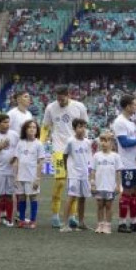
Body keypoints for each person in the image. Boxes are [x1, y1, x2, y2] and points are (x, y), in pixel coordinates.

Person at [41, 85, 88, 228]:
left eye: (62, 99)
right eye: (58, 99)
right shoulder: (50, 108)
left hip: (75, 150)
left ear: (68, 95)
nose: (60, 102)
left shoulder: (79, 107)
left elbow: (85, 126)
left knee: (73, 184)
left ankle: (72, 216)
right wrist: (41, 143)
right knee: (60, 182)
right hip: (59, 150)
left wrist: (83, 144)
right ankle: (55, 214)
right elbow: (45, 127)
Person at [112, 94, 136, 233]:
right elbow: (124, 143)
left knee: (135, 192)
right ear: (127, 106)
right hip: (126, 163)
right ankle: (121, 223)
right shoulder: (120, 122)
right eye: (134, 104)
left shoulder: (131, 121)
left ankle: (134, 221)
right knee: (126, 192)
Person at [59, 118, 93, 233]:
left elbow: (88, 157)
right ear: (74, 129)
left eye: (84, 127)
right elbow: (65, 155)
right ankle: (64, 224)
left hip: (84, 174)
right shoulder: (70, 141)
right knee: (71, 197)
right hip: (73, 174)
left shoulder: (87, 142)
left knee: (82, 198)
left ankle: (81, 222)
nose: (82, 129)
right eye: (80, 127)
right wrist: (67, 169)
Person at [13, 120, 43, 229]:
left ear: (37, 130)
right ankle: (21, 220)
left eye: (34, 127)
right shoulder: (20, 143)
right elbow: (16, 160)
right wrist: (16, 176)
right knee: (21, 198)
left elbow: (40, 162)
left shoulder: (39, 144)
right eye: (29, 127)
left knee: (33, 197)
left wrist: (38, 178)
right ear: (25, 129)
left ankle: (33, 220)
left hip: (32, 176)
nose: (32, 129)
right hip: (21, 176)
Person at [93, 132, 122, 234]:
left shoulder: (115, 156)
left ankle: (107, 225)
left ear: (111, 143)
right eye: (102, 140)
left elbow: (118, 171)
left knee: (109, 205)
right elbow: (93, 170)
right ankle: (100, 224)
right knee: (100, 205)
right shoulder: (96, 156)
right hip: (99, 185)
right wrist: (92, 183)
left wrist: (118, 185)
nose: (104, 143)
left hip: (110, 185)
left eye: (107, 140)